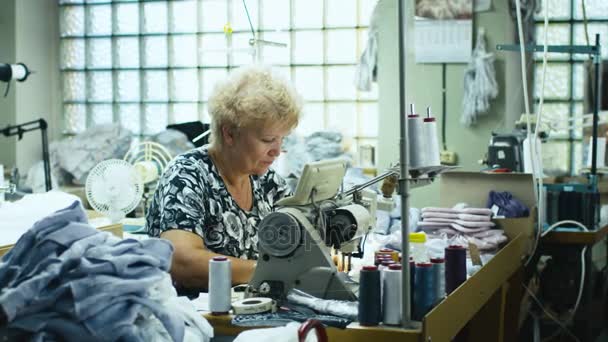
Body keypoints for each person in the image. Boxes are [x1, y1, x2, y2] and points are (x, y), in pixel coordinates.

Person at [145, 65, 302, 291]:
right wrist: (271, 273)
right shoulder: (187, 175)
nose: (277, 151)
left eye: (281, 139)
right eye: (268, 140)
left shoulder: (268, 183)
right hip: (197, 318)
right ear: (229, 133)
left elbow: (300, 243)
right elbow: (182, 262)